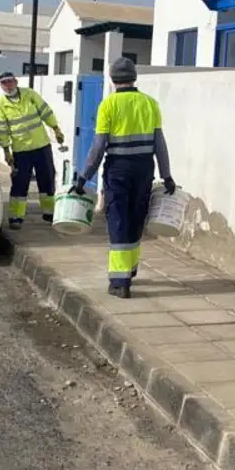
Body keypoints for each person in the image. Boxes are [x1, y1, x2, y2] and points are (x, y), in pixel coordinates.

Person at [72, 58, 175, 298]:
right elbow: (160, 143)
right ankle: (131, 269)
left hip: (118, 169)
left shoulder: (108, 105)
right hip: (144, 169)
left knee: (118, 219)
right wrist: (166, 175)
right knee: (136, 217)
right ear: (134, 77)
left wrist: (83, 177)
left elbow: (98, 147)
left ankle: (120, 281)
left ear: (112, 78)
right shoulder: (150, 103)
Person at [0, 71, 64, 229]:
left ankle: (50, 213)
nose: (8, 85)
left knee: (47, 178)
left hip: (42, 146)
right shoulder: (0, 106)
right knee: (20, 182)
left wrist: (56, 128)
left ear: (16, 81)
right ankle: (16, 217)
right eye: (4, 83)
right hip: (21, 150)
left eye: (10, 81)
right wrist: (6, 151)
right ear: (1, 86)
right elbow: (1, 130)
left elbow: (46, 112)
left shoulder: (30, 95)